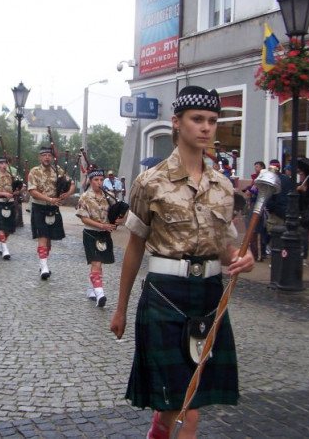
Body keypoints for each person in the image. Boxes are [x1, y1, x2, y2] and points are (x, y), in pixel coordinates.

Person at [109, 86, 255, 439]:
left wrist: (243, 259)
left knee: (189, 402)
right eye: (197, 119)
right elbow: (135, 247)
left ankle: (159, 430)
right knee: (180, 407)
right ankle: (161, 428)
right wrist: (121, 308)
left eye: (212, 121)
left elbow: (227, 248)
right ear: (177, 123)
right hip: (165, 295)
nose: (206, 127)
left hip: (209, 297)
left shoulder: (223, 186)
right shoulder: (150, 182)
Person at [75, 168, 126, 307]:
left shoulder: (109, 196)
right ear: (91, 181)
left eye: (101, 180)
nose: (99, 182)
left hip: (105, 233)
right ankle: (100, 294)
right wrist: (101, 226)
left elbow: (118, 211)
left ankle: (91, 290)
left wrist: (120, 219)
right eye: (96, 180)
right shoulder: (85, 197)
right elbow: (84, 219)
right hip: (91, 233)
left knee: (99, 263)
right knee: (96, 263)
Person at [27, 146, 76, 280]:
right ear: (40, 157)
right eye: (44, 155)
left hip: (53, 209)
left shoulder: (58, 170)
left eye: (49, 155)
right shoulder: (34, 171)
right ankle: (44, 267)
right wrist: (50, 199)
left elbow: (72, 183)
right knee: (42, 236)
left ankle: (44, 261)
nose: (47, 157)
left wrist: (66, 194)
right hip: (39, 206)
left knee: (48, 242)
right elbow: (32, 191)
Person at [297, 168, 309, 267]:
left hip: (307, 215)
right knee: (297, 235)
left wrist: (304, 192)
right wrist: (297, 191)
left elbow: (308, 201)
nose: (301, 176)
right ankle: (297, 255)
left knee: (305, 237)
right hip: (297, 214)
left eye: (302, 175)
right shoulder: (297, 186)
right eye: (300, 174)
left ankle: (304, 257)